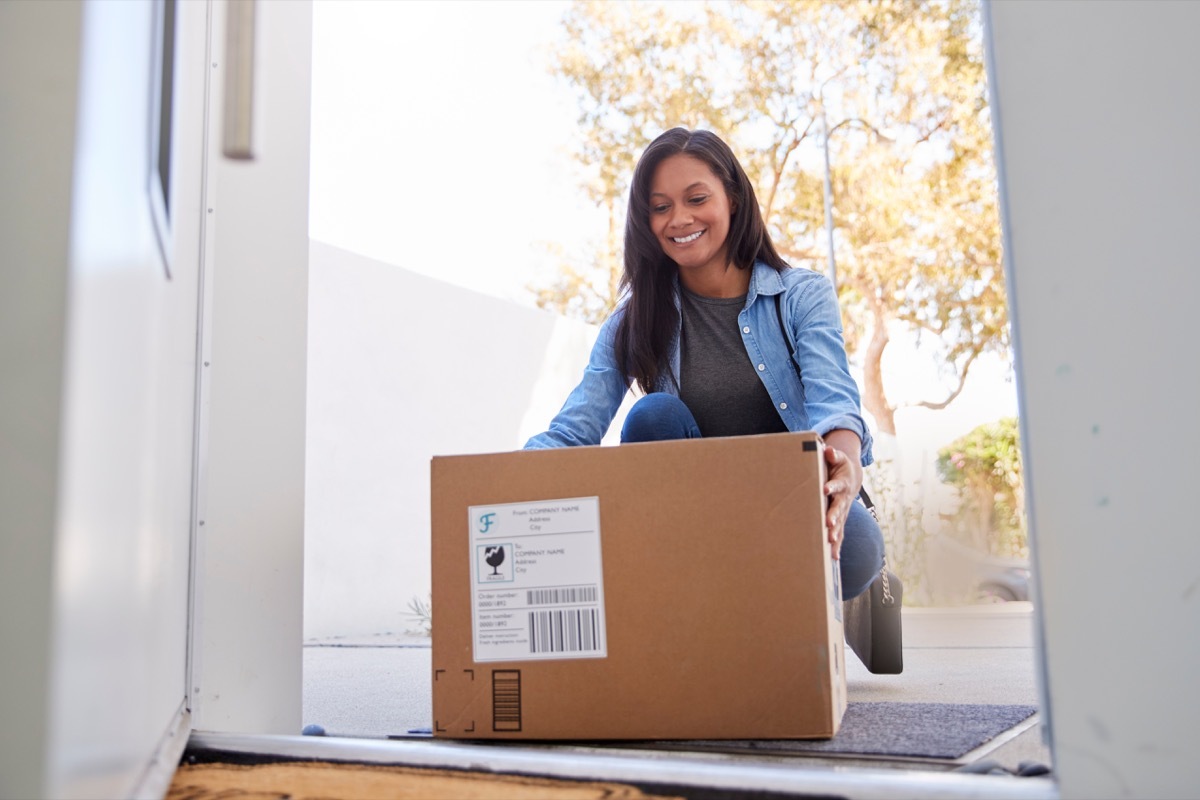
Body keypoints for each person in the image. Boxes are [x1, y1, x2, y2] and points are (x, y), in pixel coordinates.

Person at [524, 127, 883, 600]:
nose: (679, 218)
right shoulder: (635, 318)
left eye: (696, 198)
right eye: (660, 206)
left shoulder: (799, 296)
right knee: (654, 416)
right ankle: (717, 609)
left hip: (785, 497)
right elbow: (576, 428)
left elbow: (832, 401)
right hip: (694, 510)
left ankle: (821, 605)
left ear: (732, 198)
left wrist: (845, 472)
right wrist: (499, 485)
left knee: (857, 550)